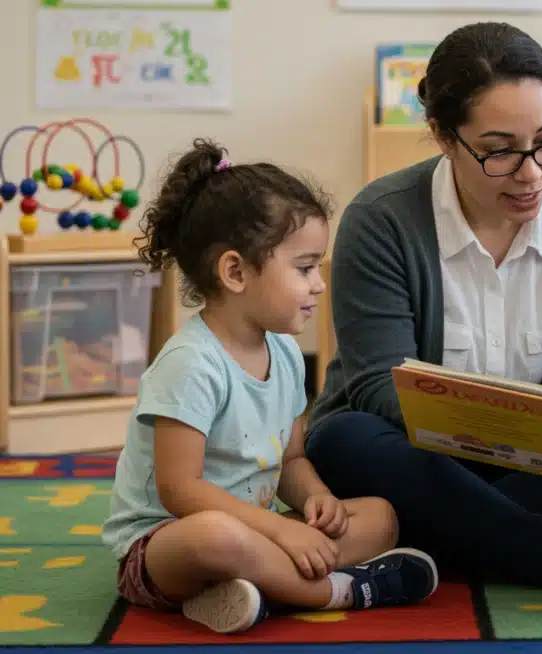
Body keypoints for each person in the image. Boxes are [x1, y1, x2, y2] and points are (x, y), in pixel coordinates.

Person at [303, 22, 542, 605]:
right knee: (346, 440)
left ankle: (430, 539)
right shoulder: (380, 219)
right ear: (444, 136)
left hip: (530, 469)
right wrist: (491, 439)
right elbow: (377, 384)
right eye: (499, 151)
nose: (531, 173)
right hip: (411, 454)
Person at [102, 139, 439, 635]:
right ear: (236, 272)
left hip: (257, 534)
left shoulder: (283, 352)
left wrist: (314, 500)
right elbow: (180, 490)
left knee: (378, 516)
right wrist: (281, 529)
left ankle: (258, 595)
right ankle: (339, 591)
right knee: (216, 536)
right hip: (168, 546)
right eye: (304, 268)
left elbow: (292, 459)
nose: (318, 284)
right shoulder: (190, 364)